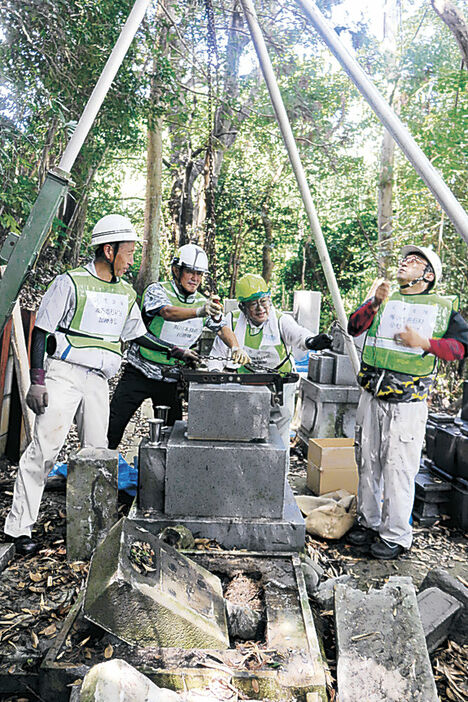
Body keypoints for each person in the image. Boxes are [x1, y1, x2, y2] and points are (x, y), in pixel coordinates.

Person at [4, 214, 194, 556]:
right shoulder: (69, 282)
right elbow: (42, 330)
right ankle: (18, 529)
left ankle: (94, 529)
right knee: (44, 451)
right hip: (64, 374)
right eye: (128, 252)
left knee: (98, 453)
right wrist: (36, 380)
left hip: (98, 381)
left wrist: (176, 350)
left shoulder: (125, 293)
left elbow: (140, 335)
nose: (132, 259)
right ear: (109, 250)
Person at [347, 245, 468, 559]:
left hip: (407, 405)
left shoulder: (440, 307)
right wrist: (374, 302)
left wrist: (425, 342)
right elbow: (354, 327)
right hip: (372, 396)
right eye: (404, 258)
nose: (405, 262)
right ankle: (369, 522)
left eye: (414, 260)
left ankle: (396, 536)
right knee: (367, 462)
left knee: (399, 468)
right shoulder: (384, 299)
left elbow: (462, 347)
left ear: (428, 276)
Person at [107, 243, 248, 449]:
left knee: (170, 437)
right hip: (139, 371)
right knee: (113, 426)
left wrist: (235, 347)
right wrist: (199, 312)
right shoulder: (158, 290)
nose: (195, 279)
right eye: (190, 272)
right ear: (176, 270)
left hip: (171, 377)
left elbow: (222, 327)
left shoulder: (202, 301)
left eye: (200, 274)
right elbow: (167, 312)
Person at [207, 273, 332, 449]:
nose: (260, 308)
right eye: (253, 303)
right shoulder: (232, 322)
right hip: (248, 386)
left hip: (280, 388)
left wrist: (312, 341)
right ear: (243, 307)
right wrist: (214, 376)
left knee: (278, 438)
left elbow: (298, 335)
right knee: (247, 434)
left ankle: (281, 473)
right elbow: (217, 354)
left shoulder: (281, 320)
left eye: (263, 301)